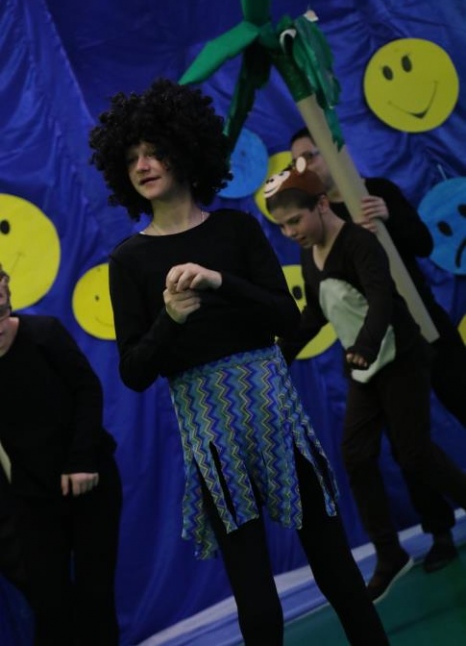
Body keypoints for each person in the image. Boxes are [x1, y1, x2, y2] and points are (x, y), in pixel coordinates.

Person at [89, 78, 389, 646]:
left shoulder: (236, 229)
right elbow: (134, 371)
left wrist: (219, 281)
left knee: (336, 568)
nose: (143, 165)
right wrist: (170, 318)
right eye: (131, 158)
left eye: (154, 151)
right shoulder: (129, 260)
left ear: (185, 151)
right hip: (211, 438)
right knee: (255, 596)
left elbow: (288, 320)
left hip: (278, 418)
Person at [265, 162, 466, 604]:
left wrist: (366, 345)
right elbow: (316, 312)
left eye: (295, 221)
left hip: (400, 357)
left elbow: (380, 299)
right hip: (363, 367)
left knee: (415, 453)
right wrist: (280, 355)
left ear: (321, 204)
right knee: (355, 455)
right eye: (282, 227)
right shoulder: (310, 251)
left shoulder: (359, 242)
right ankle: (389, 553)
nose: (290, 233)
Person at [0, 265, 122, 646]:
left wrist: (81, 461)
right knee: (50, 605)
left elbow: (87, 390)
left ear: (7, 296)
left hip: (90, 480)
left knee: (95, 596)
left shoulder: (43, 334)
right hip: (34, 495)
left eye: (0, 312)